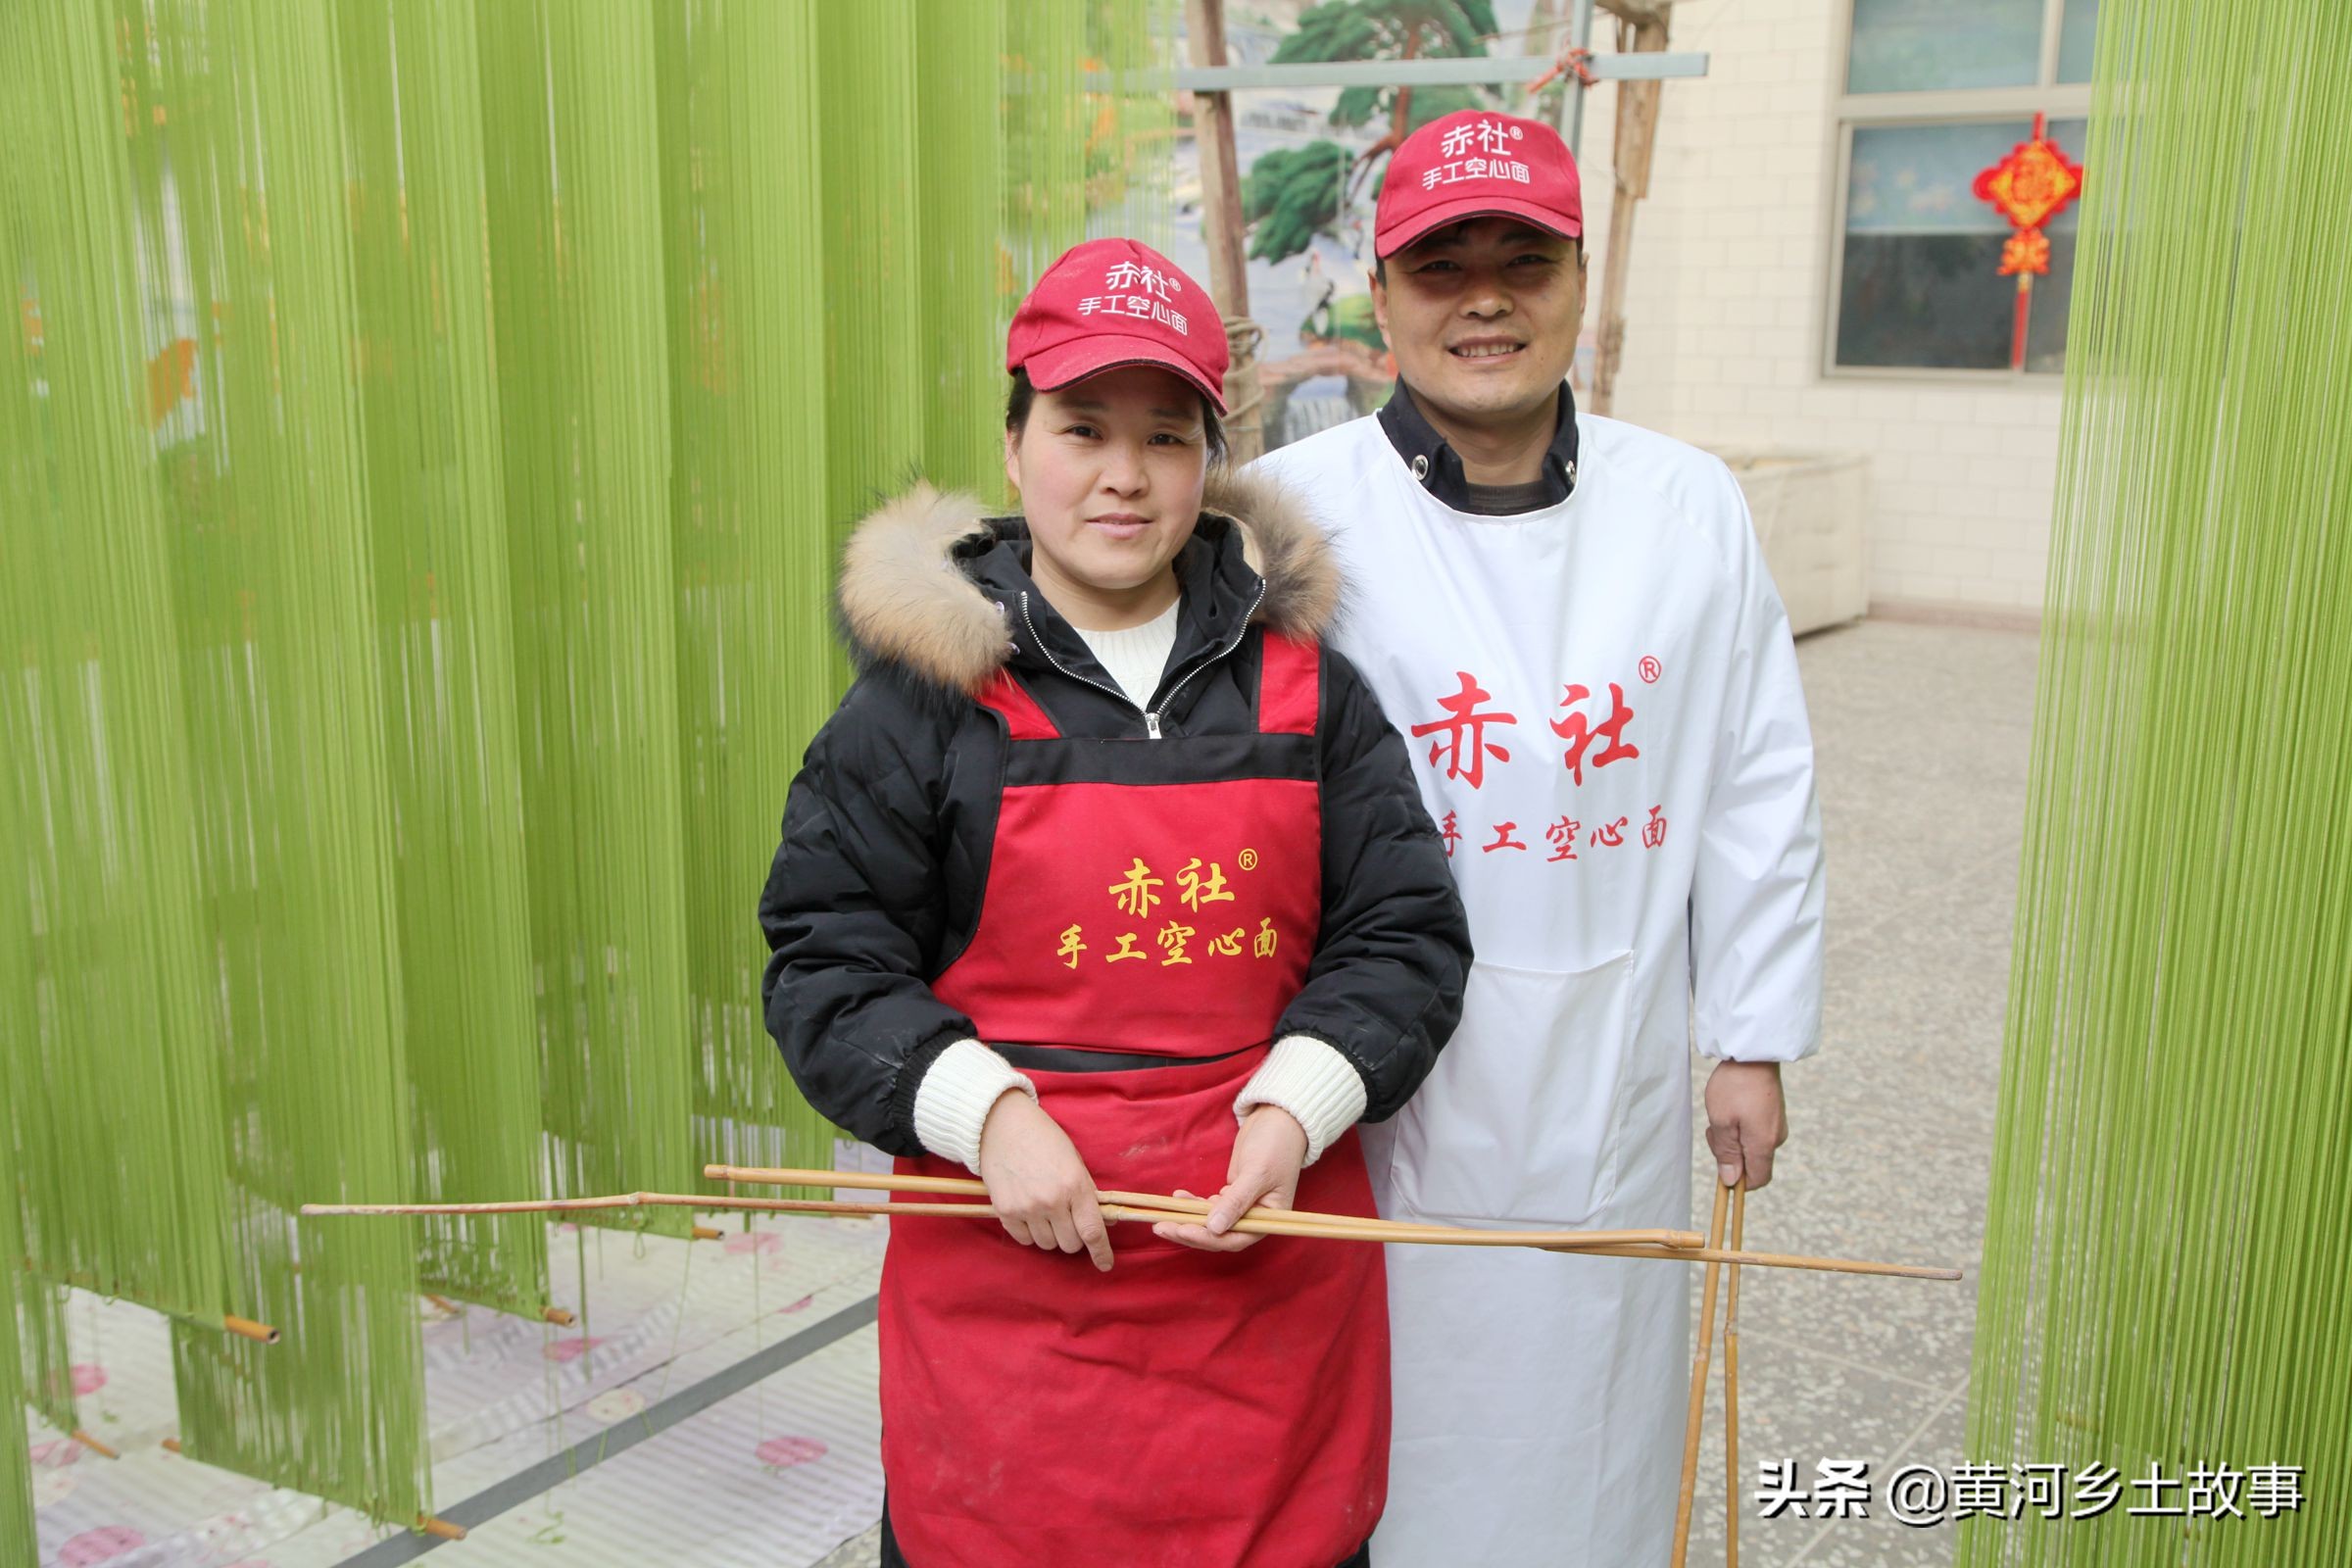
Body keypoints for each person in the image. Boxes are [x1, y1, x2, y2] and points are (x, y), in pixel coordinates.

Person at [760, 237, 1471, 1568]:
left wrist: (1298, 1102)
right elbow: (826, 965)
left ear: (1212, 455)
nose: (1124, 476)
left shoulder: (1311, 696)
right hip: (1008, 1309)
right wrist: (988, 1115)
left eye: (1165, 434)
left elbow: (1406, 935)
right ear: (1016, 437)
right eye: (1083, 427)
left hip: (1266, 1287)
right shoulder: (920, 708)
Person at [1250, 110, 1827, 1567]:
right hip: (1370, 1096)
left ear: (1580, 276)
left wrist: (1750, 1032)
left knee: (1591, 1443)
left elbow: (1756, 774)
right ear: (1381, 297)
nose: (1486, 298)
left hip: (1610, 1079)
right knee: (1383, 1441)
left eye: (1525, 258)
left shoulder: (1687, 506)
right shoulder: (1292, 522)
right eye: (1443, 265)